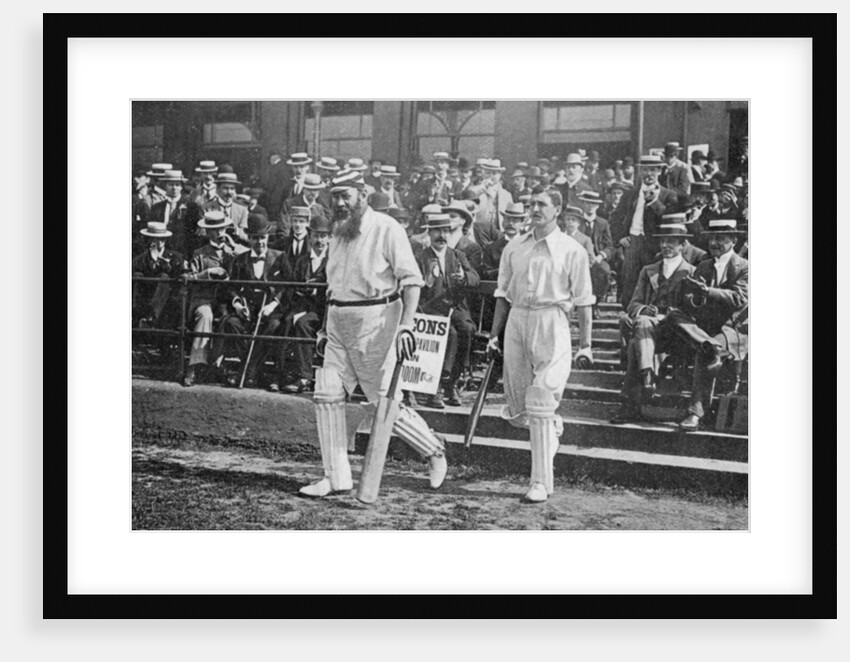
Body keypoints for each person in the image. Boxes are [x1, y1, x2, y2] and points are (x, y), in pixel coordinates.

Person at [299, 169, 447, 498]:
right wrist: (324, 326)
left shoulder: (387, 228)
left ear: (362, 194)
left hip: (377, 322)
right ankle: (335, 478)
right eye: (335, 197)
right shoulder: (337, 231)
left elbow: (412, 282)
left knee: (381, 403)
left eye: (346, 196)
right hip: (338, 323)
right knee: (326, 394)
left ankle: (434, 451)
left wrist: (406, 325)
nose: (339, 203)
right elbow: (333, 286)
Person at [487, 187, 595, 503]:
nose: (534, 209)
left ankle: (539, 482)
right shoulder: (514, 247)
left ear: (557, 210)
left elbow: (584, 300)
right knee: (520, 410)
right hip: (518, 320)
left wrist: (586, 344)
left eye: (542, 204)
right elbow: (502, 295)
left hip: (552, 321)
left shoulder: (572, 250)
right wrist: (494, 335)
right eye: (531, 204)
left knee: (541, 398)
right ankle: (551, 427)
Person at [665, 219, 749, 431]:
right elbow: (690, 301)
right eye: (711, 238)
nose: (714, 243)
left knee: (705, 352)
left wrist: (707, 291)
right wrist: (693, 296)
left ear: (734, 240)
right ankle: (710, 345)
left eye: (720, 238)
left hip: (730, 329)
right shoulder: (704, 265)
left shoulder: (745, 267)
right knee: (673, 315)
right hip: (702, 328)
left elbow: (739, 298)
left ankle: (695, 413)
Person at [610, 223, 696, 423]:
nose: (665, 245)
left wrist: (668, 315)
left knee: (636, 342)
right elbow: (633, 304)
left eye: (671, 242)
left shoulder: (691, 272)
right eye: (663, 241)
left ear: (682, 245)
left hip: (676, 332)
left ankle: (630, 403)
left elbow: (693, 310)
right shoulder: (648, 271)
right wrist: (643, 309)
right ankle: (647, 375)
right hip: (647, 329)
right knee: (640, 327)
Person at [218, 214, 292, 389]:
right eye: (256, 238)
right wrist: (237, 304)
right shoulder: (240, 260)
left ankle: (248, 372)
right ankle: (255, 372)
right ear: (249, 239)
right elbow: (232, 288)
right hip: (248, 310)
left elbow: (288, 286)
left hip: (270, 309)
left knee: (273, 326)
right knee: (232, 323)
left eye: (263, 238)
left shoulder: (280, 257)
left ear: (268, 237)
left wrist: (273, 304)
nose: (260, 242)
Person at [415, 212, 480, 408]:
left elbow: (475, 277)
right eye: (437, 231)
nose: (442, 236)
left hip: (455, 307)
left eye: (446, 231)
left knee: (467, 330)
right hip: (431, 310)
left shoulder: (457, 256)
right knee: (449, 334)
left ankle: (452, 383)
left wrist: (464, 277)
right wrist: (426, 281)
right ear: (429, 233)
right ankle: (435, 387)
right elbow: (416, 287)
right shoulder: (421, 258)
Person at [609, 154, 679, 307]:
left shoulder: (668, 195)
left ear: (659, 171)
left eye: (653, 170)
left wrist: (654, 202)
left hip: (655, 244)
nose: (649, 174)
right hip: (633, 242)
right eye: (645, 170)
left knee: (653, 280)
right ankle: (629, 314)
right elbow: (615, 218)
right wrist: (620, 237)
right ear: (640, 172)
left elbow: (669, 219)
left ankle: (650, 313)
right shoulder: (630, 194)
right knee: (629, 280)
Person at [181, 211, 239, 387]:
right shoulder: (200, 253)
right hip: (203, 299)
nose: (220, 233)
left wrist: (233, 245)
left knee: (228, 319)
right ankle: (193, 366)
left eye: (222, 228)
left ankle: (217, 364)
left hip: (224, 301)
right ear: (207, 232)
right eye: (215, 230)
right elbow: (189, 277)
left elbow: (246, 260)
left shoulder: (231, 253)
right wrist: (207, 273)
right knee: (205, 315)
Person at [282, 213, 332, 394]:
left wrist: (316, 290)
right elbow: (293, 287)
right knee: (285, 322)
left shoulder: (333, 261)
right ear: (310, 237)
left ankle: (304, 377)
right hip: (302, 306)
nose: (319, 240)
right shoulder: (302, 261)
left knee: (303, 324)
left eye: (323, 236)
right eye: (316, 235)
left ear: (329, 238)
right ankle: (282, 374)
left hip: (324, 311)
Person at [132, 221, 186, 330]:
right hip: (145, 295)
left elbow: (178, 275)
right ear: (150, 239)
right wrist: (152, 260)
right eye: (156, 239)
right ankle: (136, 318)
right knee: (137, 275)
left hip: (167, 297)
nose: (160, 242)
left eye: (163, 238)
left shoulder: (175, 258)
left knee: (164, 276)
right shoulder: (140, 259)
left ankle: (151, 318)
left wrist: (164, 265)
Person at [577, 191, 615, 317]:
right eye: (587, 203)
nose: (590, 206)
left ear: (597, 206)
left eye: (593, 204)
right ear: (583, 204)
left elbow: (609, 246)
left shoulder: (603, 223)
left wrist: (600, 256)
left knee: (604, 271)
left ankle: (595, 304)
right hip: (578, 258)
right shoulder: (577, 222)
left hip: (597, 258)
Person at [149, 169, 196, 258]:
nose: (174, 188)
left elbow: (192, 236)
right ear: (165, 186)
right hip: (161, 252)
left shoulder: (190, 206)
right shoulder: (157, 208)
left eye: (177, 185)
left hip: (182, 253)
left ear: (181, 187)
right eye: (171, 184)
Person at [203, 169, 249, 252]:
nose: (229, 192)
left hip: (234, 251)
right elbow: (203, 233)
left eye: (232, 189)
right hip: (213, 250)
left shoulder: (242, 210)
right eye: (225, 188)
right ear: (218, 189)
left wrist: (238, 231)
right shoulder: (207, 208)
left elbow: (245, 236)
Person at [277, 173, 328, 245]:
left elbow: (323, 229)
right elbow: (284, 229)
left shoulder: (319, 208)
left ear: (319, 191)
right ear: (304, 189)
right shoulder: (290, 204)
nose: (312, 192)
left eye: (315, 190)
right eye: (309, 189)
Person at [481, 202, 525, 280]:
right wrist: (505, 270)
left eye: (515, 220)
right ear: (503, 221)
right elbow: (485, 274)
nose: (510, 223)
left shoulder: (530, 245)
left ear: (522, 223)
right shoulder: (491, 249)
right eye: (508, 219)